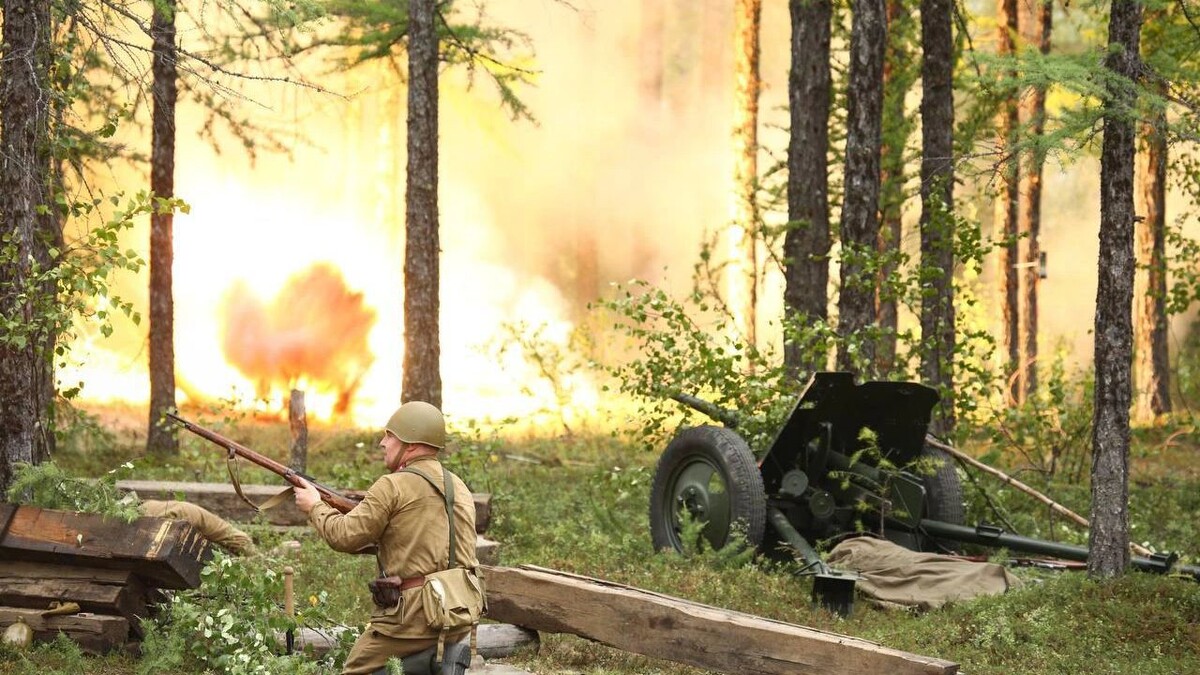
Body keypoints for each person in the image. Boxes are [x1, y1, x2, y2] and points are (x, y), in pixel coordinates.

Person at [294, 401, 479, 675]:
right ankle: (437, 661)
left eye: (389, 436)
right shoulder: (458, 485)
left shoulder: (392, 485)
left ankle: (434, 663)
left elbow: (343, 536)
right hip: (458, 611)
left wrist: (314, 506)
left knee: (355, 670)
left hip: (414, 618)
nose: (383, 443)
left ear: (411, 444)